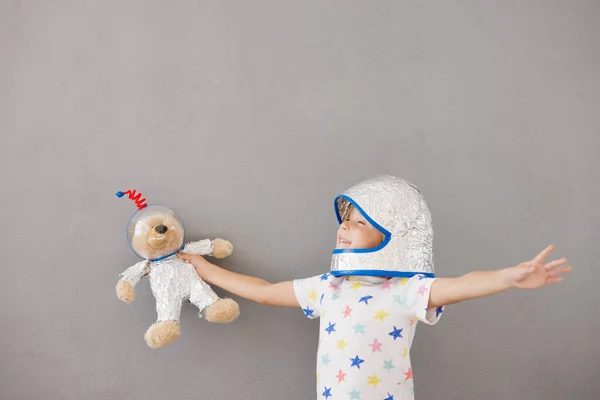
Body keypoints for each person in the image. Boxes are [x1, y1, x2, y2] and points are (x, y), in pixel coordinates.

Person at [177, 175, 571, 399]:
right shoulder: (328, 287)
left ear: (390, 232)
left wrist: (510, 277)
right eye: (345, 220)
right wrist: (204, 268)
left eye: (360, 222)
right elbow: (263, 290)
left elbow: (462, 285)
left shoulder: (407, 291)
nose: (345, 226)